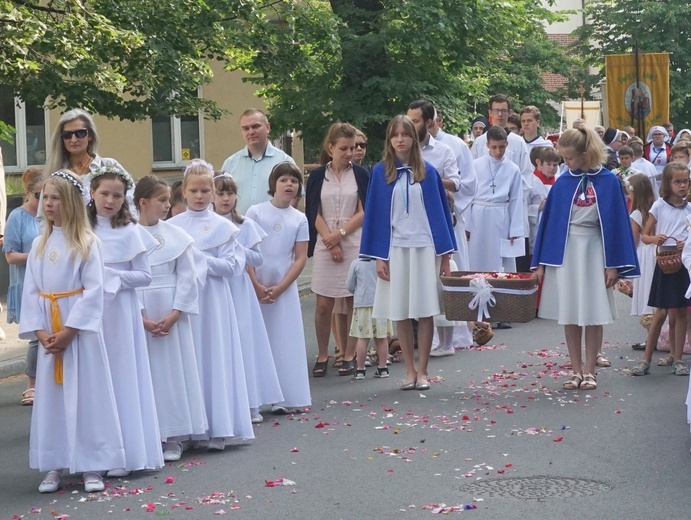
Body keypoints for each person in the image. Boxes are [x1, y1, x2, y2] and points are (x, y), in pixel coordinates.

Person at [20, 170, 125, 493]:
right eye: (44, 198)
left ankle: (93, 463)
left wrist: (68, 331)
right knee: (52, 399)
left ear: (70, 202)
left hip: (77, 333)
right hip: (50, 333)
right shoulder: (39, 243)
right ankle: (55, 462)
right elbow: (32, 292)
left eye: (54, 198)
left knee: (87, 395)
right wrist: (41, 333)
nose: (47, 204)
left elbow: (94, 291)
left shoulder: (88, 242)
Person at [531, 127, 639, 390]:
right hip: (567, 252)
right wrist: (541, 264)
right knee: (570, 313)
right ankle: (575, 370)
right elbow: (550, 223)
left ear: (585, 153)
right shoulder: (563, 182)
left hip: (595, 251)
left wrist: (612, 263)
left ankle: (590, 370)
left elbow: (615, 223)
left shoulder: (609, 181)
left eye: (568, 158)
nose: (564, 163)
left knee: (593, 312)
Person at [360, 115, 457, 391]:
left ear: (414, 139)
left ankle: (424, 370)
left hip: (425, 248)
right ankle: (409, 371)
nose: (400, 139)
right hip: (396, 249)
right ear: (389, 141)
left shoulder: (428, 172)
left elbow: (441, 216)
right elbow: (376, 218)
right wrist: (380, 256)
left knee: (424, 310)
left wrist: (446, 257)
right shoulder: (380, 173)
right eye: (395, 135)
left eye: (405, 134)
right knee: (400, 311)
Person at [169, 159, 254, 449]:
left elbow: (231, 267)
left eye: (206, 190)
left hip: (214, 301)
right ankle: (185, 428)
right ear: (183, 191)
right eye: (194, 190)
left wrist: (197, 259)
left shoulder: (223, 227)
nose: (200, 196)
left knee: (213, 356)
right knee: (187, 359)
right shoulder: (172, 226)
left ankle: (219, 425)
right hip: (184, 301)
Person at [87, 161, 162, 477]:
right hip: (91, 312)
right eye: (105, 193)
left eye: (117, 196)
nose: (110, 201)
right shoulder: (82, 228)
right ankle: (98, 450)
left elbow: (144, 276)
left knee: (123, 377)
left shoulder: (130, 231)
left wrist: (110, 276)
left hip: (122, 313)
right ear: (92, 193)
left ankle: (129, 451)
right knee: (96, 380)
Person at [135, 176, 208, 462]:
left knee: (174, 373)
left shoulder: (176, 236)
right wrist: (141, 318)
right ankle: (150, 433)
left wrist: (176, 313)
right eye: (162, 200)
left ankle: (176, 434)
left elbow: (188, 276)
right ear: (143, 202)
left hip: (171, 311)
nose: (168, 206)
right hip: (142, 313)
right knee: (147, 375)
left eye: (168, 200)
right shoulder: (127, 234)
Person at [213, 172, 284, 423]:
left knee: (244, 341)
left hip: (239, 287)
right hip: (217, 286)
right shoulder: (208, 223)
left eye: (230, 193)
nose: (225, 198)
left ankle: (251, 401)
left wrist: (238, 248)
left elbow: (257, 258)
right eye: (220, 193)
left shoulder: (244, 225)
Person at [246, 162, 311, 413]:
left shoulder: (299, 218)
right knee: (259, 338)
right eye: (284, 180)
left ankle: (285, 396)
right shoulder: (256, 212)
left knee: (284, 339)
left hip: (284, 285)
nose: (289, 185)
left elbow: (300, 257)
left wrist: (282, 287)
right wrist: (256, 284)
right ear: (273, 184)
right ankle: (258, 397)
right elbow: (248, 250)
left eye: (294, 181)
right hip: (257, 283)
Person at [305, 123, 368, 377]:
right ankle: (323, 353)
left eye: (352, 148)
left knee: (353, 299)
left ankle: (350, 354)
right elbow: (313, 210)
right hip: (324, 242)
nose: (349, 153)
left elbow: (364, 211)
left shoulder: (361, 174)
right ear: (330, 148)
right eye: (343, 148)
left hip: (353, 242)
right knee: (323, 303)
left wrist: (340, 235)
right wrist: (329, 240)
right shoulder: (319, 175)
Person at [632, 162, 691, 376]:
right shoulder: (659, 206)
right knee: (660, 313)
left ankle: (678, 359)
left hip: (683, 264)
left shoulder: (689, 209)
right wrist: (656, 238)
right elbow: (645, 236)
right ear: (668, 183)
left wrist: (687, 244)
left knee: (682, 312)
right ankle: (646, 358)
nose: (682, 185)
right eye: (677, 181)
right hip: (664, 264)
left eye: (685, 181)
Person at [5, 168, 43, 405]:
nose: (43, 201)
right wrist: (39, 254)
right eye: (39, 195)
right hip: (27, 282)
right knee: (36, 336)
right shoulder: (17, 217)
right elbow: (10, 256)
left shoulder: (49, 215)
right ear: (28, 192)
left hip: (48, 282)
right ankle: (31, 385)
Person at [44, 109, 132, 208]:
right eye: (67, 135)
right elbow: (43, 215)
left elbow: (132, 202)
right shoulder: (56, 173)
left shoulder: (109, 166)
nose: (73, 139)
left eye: (80, 133)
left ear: (90, 135)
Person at [467, 126, 525, 273]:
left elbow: (516, 200)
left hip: (501, 216)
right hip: (478, 217)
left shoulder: (513, 169)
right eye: (494, 147)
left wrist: (515, 229)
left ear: (506, 144)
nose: (498, 152)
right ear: (487, 145)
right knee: (477, 258)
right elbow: (468, 196)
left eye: (501, 147)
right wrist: (467, 225)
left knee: (501, 262)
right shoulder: (475, 165)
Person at [221, 109, 296, 214]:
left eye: (255, 126)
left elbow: (293, 197)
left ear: (267, 127)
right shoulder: (230, 164)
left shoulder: (284, 162)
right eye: (245, 128)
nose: (251, 132)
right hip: (238, 227)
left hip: (272, 228)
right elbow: (221, 197)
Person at [346, 257, 393, 380]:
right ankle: (383, 367)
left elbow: (349, 285)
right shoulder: (384, 262)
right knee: (382, 338)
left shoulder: (356, 263)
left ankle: (360, 369)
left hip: (362, 305)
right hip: (381, 304)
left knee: (362, 338)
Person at [626, 173, 657, 331]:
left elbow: (634, 240)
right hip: (656, 251)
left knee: (646, 292)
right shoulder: (656, 207)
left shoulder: (636, 213)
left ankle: (651, 334)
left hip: (644, 254)